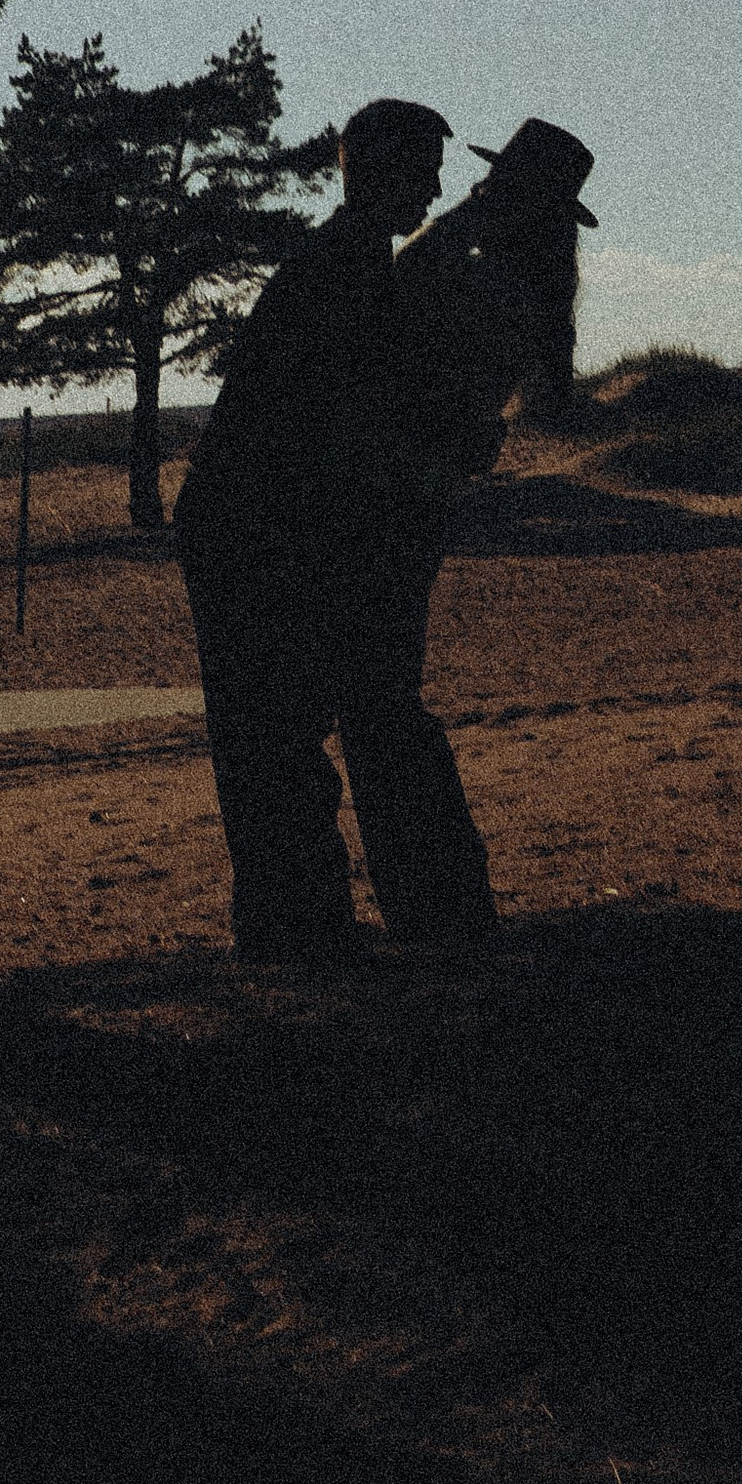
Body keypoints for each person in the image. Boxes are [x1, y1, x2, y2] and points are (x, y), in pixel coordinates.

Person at [172, 95, 499, 967]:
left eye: (437, 177)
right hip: (255, 525)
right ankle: (295, 926)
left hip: (261, 521)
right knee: (275, 731)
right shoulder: (346, 270)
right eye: (420, 173)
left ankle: (298, 923)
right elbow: (347, 412)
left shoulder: (350, 257)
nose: (430, 190)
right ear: (374, 170)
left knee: (279, 729)